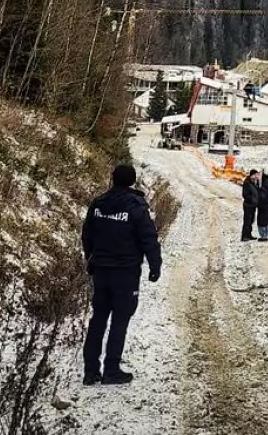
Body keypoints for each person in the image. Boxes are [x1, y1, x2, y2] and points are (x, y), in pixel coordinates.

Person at [81, 164, 162, 386]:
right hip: (125, 273)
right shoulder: (136, 207)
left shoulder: (98, 204)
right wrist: (155, 266)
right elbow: (149, 239)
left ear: (113, 179)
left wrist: (91, 258)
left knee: (98, 319)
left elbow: (87, 234)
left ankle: (90, 371)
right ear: (133, 181)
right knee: (120, 320)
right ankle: (111, 370)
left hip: (101, 271)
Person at [240, 169, 260, 241]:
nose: (256, 176)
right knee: (247, 221)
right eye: (255, 175)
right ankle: (244, 236)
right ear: (252, 175)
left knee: (251, 220)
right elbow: (245, 194)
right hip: (248, 205)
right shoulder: (247, 182)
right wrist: (251, 200)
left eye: (257, 175)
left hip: (253, 205)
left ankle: (249, 235)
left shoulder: (255, 182)